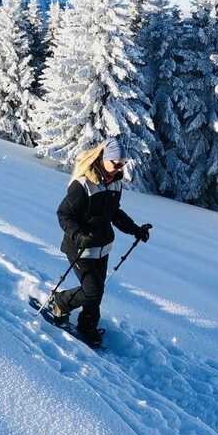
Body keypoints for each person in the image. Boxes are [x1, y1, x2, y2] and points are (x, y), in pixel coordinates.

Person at [47, 137, 150, 348]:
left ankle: (87, 326)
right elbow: (64, 214)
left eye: (123, 164)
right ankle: (60, 302)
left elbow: (114, 213)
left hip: (102, 247)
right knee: (93, 291)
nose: (119, 168)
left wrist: (135, 230)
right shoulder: (83, 184)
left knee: (97, 290)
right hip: (80, 247)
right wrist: (78, 235)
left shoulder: (116, 183)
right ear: (104, 159)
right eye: (116, 163)